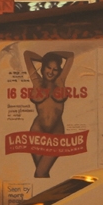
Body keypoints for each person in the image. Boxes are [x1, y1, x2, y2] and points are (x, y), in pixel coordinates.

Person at [23, 49, 74, 178]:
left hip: (56, 132)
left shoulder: (60, 81)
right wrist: (44, 58)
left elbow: (70, 56)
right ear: (43, 67)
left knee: (40, 172)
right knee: (41, 173)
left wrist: (52, 55)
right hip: (37, 131)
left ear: (59, 71)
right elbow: (27, 54)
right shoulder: (36, 82)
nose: (51, 72)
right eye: (48, 67)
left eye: (55, 69)